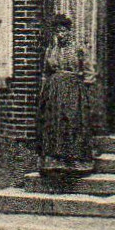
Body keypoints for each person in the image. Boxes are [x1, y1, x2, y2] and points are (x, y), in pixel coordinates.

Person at [38, 14, 94, 182]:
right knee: (55, 123)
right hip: (54, 91)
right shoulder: (51, 50)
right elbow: (45, 73)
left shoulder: (79, 49)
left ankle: (76, 162)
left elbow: (89, 73)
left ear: (69, 31)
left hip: (73, 90)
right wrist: (44, 91)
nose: (60, 34)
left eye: (63, 30)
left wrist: (82, 90)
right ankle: (55, 162)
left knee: (72, 121)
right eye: (57, 31)